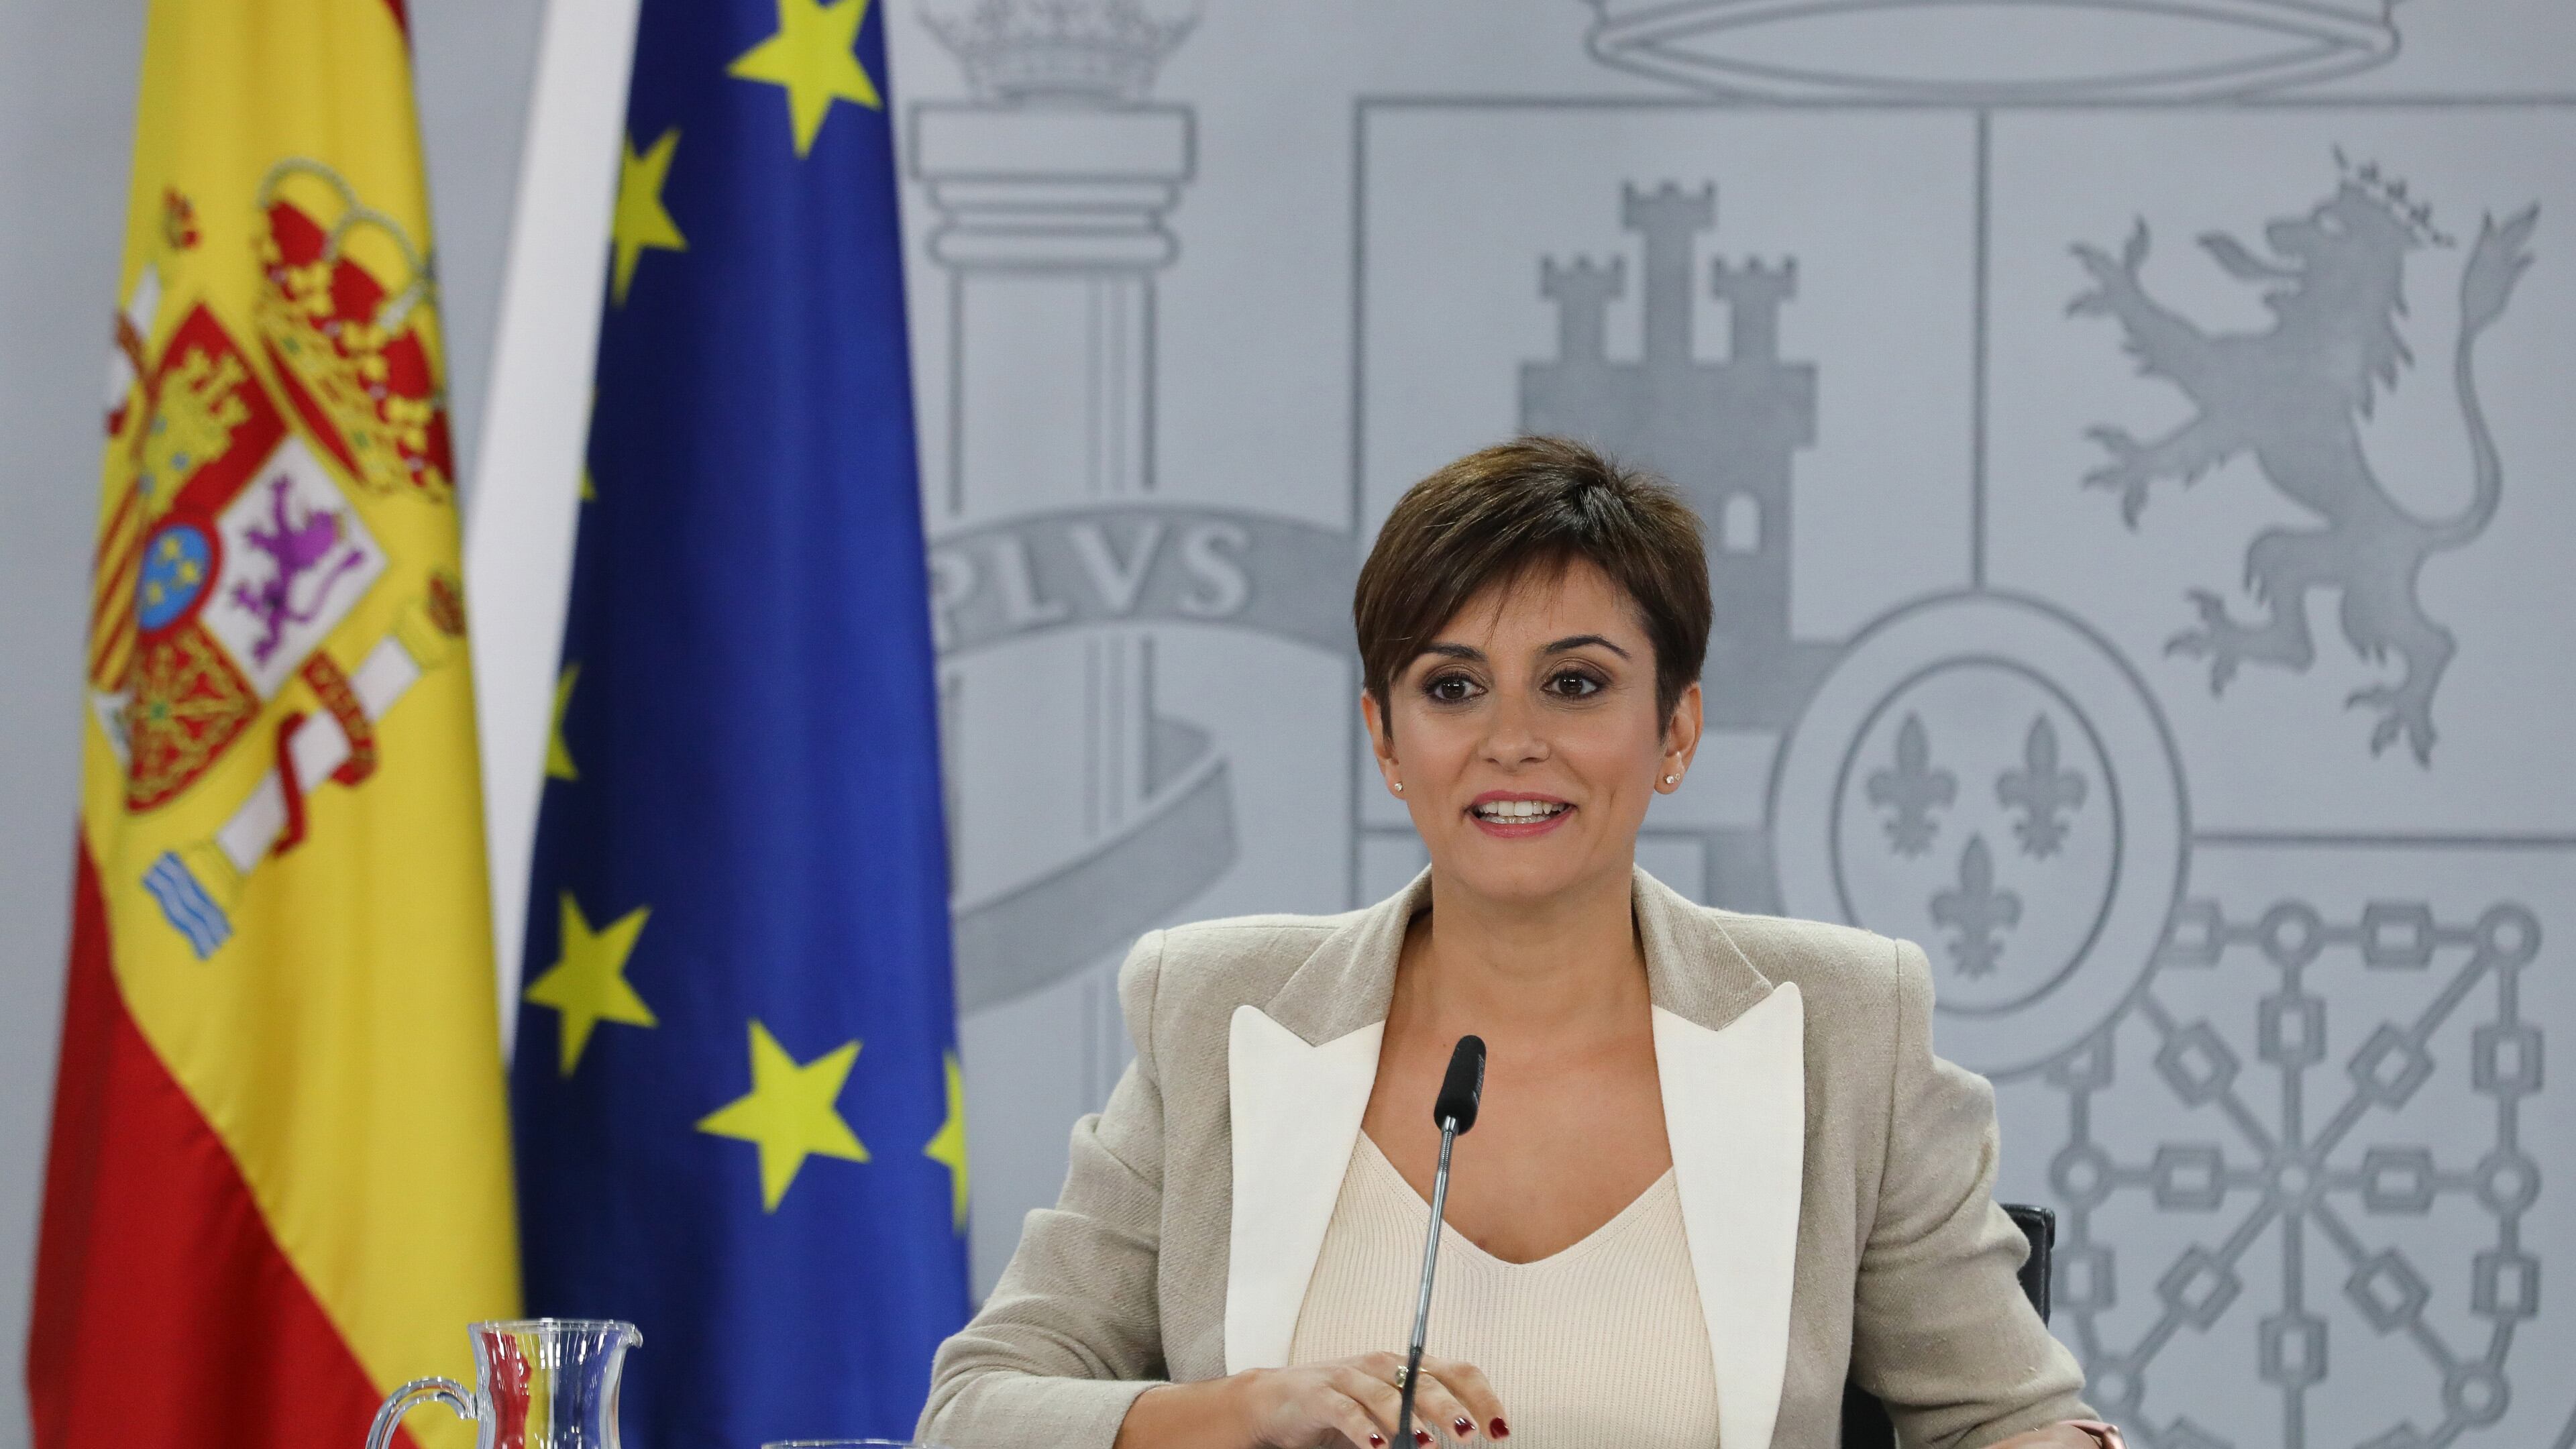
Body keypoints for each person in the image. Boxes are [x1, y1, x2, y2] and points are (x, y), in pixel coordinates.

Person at [919, 438, 2123, 1449]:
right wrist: (1243, 1412)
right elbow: (976, 1408)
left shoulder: (1845, 1025)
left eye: (1575, 684)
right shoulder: (1216, 1012)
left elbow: (2013, 1420)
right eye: (1452, 689)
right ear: (1385, 739)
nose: (1511, 742)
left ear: (1675, 728)